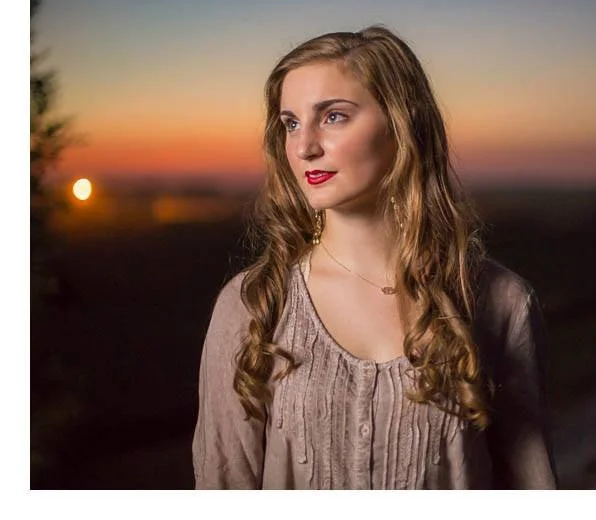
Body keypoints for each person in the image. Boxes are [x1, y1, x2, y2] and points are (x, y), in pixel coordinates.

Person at [192, 26, 558, 489]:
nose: (304, 147)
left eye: (334, 117)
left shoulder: (500, 301)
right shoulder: (253, 305)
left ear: (401, 125)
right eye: (291, 123)